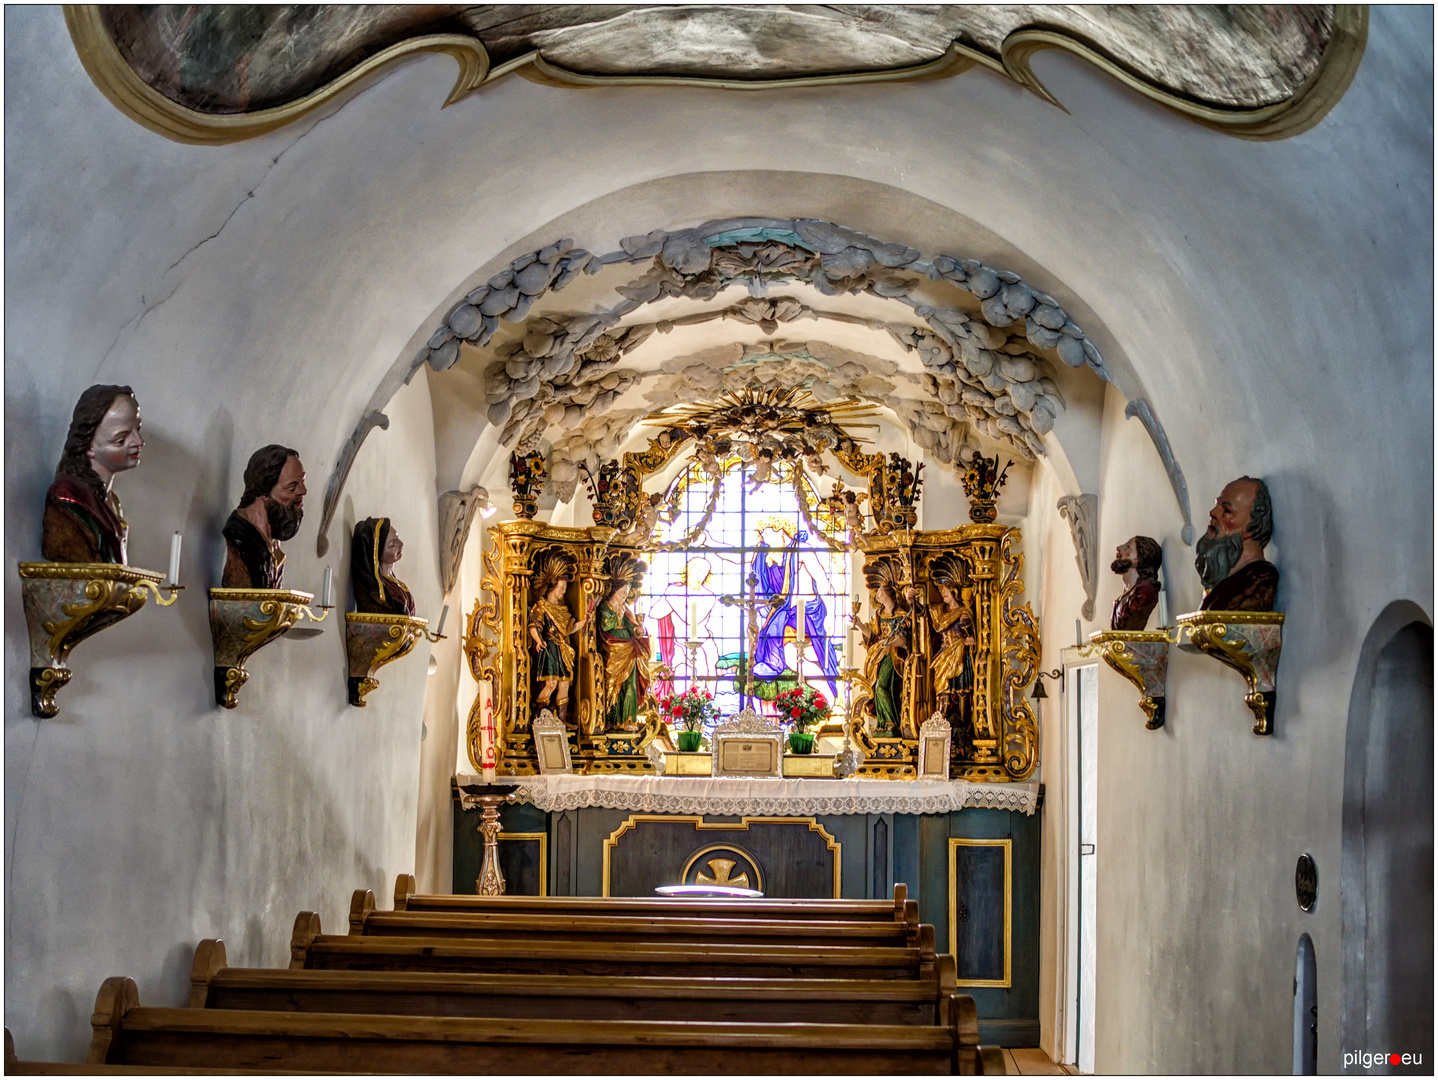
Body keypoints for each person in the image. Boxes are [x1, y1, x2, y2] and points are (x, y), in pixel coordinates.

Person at [41, 385, 144, 564]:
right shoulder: (69, 498)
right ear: (88, 446)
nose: (140, 441)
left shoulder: (112, 501)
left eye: (138, 429)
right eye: (121, 439)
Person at [222, 444, 306, 589]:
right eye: (291, 488)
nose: (303, 491)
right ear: (264, 492)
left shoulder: (274, 535)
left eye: (303, 482)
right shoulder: (240, 533)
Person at [1195, 477, 1279, 611]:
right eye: (1217, 505)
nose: (1213, 513)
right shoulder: (1224, 582)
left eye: (1227, 510)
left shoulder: (1257, 579)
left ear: (1252, 526)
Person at [854, 564, 915, 739]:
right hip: (879, 655)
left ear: (887, 594)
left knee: (882, 687)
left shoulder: (900, 614)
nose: (877, 594)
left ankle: (892, 722)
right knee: (878, 687)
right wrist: (859, 625)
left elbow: (903, 638)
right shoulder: (879, 615)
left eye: (880, 592)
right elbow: (873, 634)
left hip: (894, 656)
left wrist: (891, 644)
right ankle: (884, 724)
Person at [527, 556, 588, 723]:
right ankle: (537, 718)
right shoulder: (541, 606)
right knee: (551, 684)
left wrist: (584, 622)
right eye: (561, 588)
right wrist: (538, 640)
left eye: (565, 588)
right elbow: (533, 626)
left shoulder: (563, 609)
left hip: (563, 648)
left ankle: (561, 721)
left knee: (564, 685)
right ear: (552, 587)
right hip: (549, 647)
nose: (563, 591)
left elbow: (569, 630)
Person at [926, 556, 977, 754]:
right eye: (941, 591)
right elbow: (924, 614)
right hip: (944, 656)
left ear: (953, 592)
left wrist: (968, 634)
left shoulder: (964, 611)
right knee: (942, 693)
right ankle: (939, 733)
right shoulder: (939, 611)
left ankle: (965, 732)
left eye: (945, 591)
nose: (942, 594)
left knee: (962, 693)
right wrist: (912, 600)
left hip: (961, 656)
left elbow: (972, 632)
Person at [596, 557, 652, 732]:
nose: (624, 596)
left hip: (630, 650)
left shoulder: (625, 608)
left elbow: (631, 626)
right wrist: (617, 616)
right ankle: (612, 717)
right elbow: (605, 625)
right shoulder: (605, 607)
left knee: (630, 685)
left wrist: (638, 631)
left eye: (626, 593)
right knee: (614, 684)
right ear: (615, 591)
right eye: (622, 593)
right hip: (613, 649)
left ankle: (628, 719)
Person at [351, 517, 415, 616]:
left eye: (397, 537)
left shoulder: (400, 586)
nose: (401, 544)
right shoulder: (373, 590)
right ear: (377, 554)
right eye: (392, 545)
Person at [1110, 535, 1163, 630]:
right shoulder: (1127, 593)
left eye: (1128, 547)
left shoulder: (1144, 592)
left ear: (1137, 559)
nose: (1119, 548)